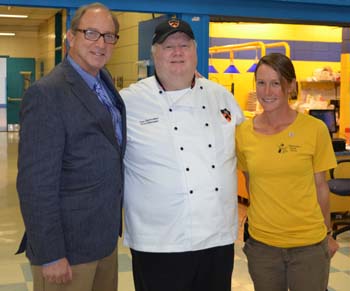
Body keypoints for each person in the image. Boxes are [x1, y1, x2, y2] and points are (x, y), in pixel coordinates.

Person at [120, 18, 244, 291]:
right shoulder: (129, 102)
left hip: (217, 239)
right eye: (168, 46)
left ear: (195, 52)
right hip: (157, 241)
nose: (177, 52)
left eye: (184, 46)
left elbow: (250, 151)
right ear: (154, 54)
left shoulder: (222, 98)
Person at [16, 2, 126, 291]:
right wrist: (50, 254)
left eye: (108, 35)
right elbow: (35, 185)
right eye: (91, 33)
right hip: (68, 250)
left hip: (102, 242)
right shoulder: (47, 94)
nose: (101, 43)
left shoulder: (103, 81)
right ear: (71, 37)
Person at [236, 52, 339, 291]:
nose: (267, 92)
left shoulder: (314, 129)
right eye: (261, 83)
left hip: (309, 245)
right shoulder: (243, 133)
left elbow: (321, 186)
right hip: (263, 246)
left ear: (290, 85)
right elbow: (251, 182)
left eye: (276, 83)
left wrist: (327, 233)